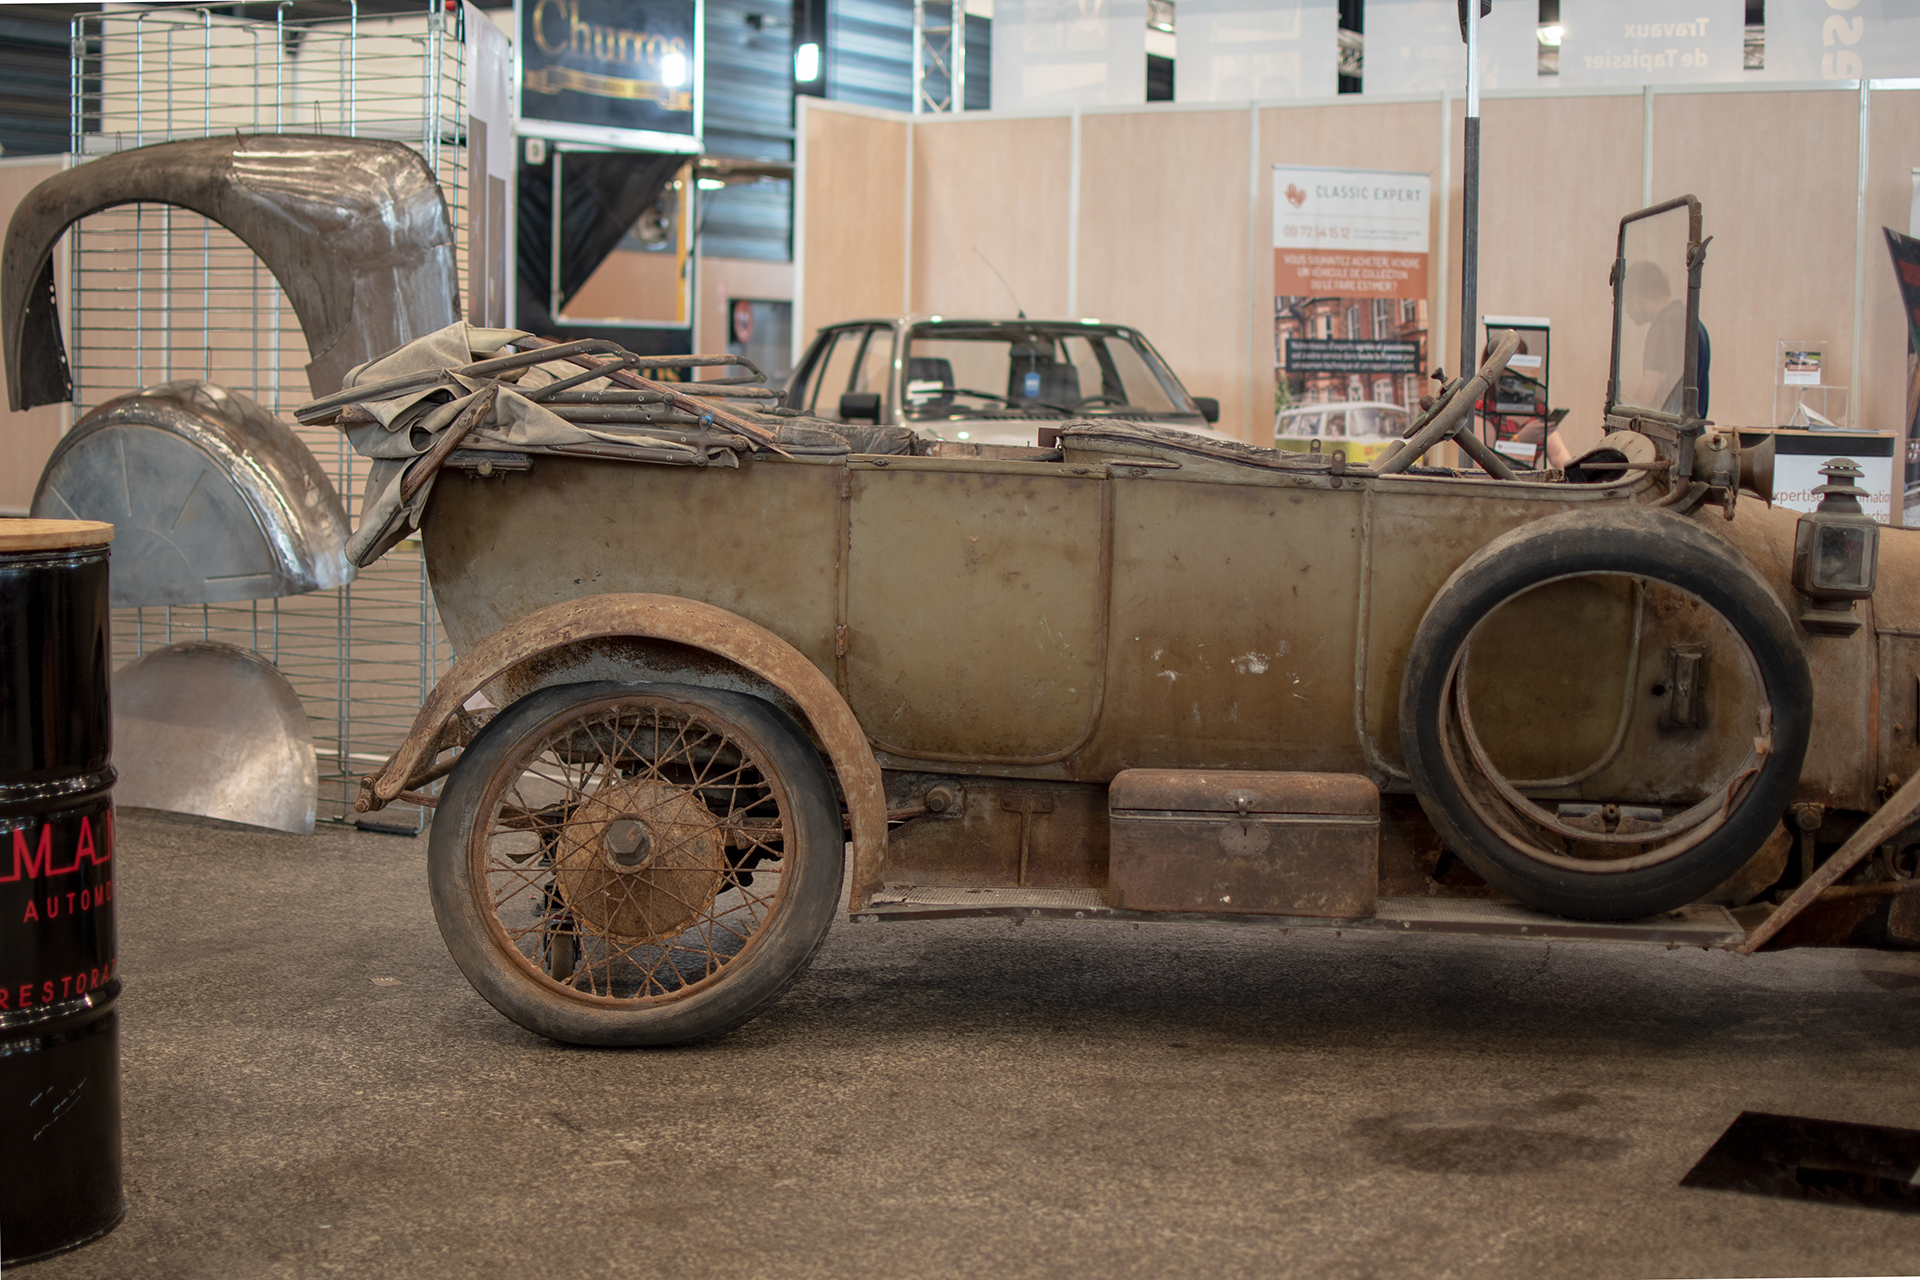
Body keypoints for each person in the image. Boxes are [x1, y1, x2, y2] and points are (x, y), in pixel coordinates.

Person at [1624, 261, 1710, 417]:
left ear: (1637, 299)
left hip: (1670, 437)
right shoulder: (1692, 321)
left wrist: (1624, 402)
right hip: (1692, 435)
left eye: (1626, 303)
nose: (1626, 311)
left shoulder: (1663, 326)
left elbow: (1648, 395)